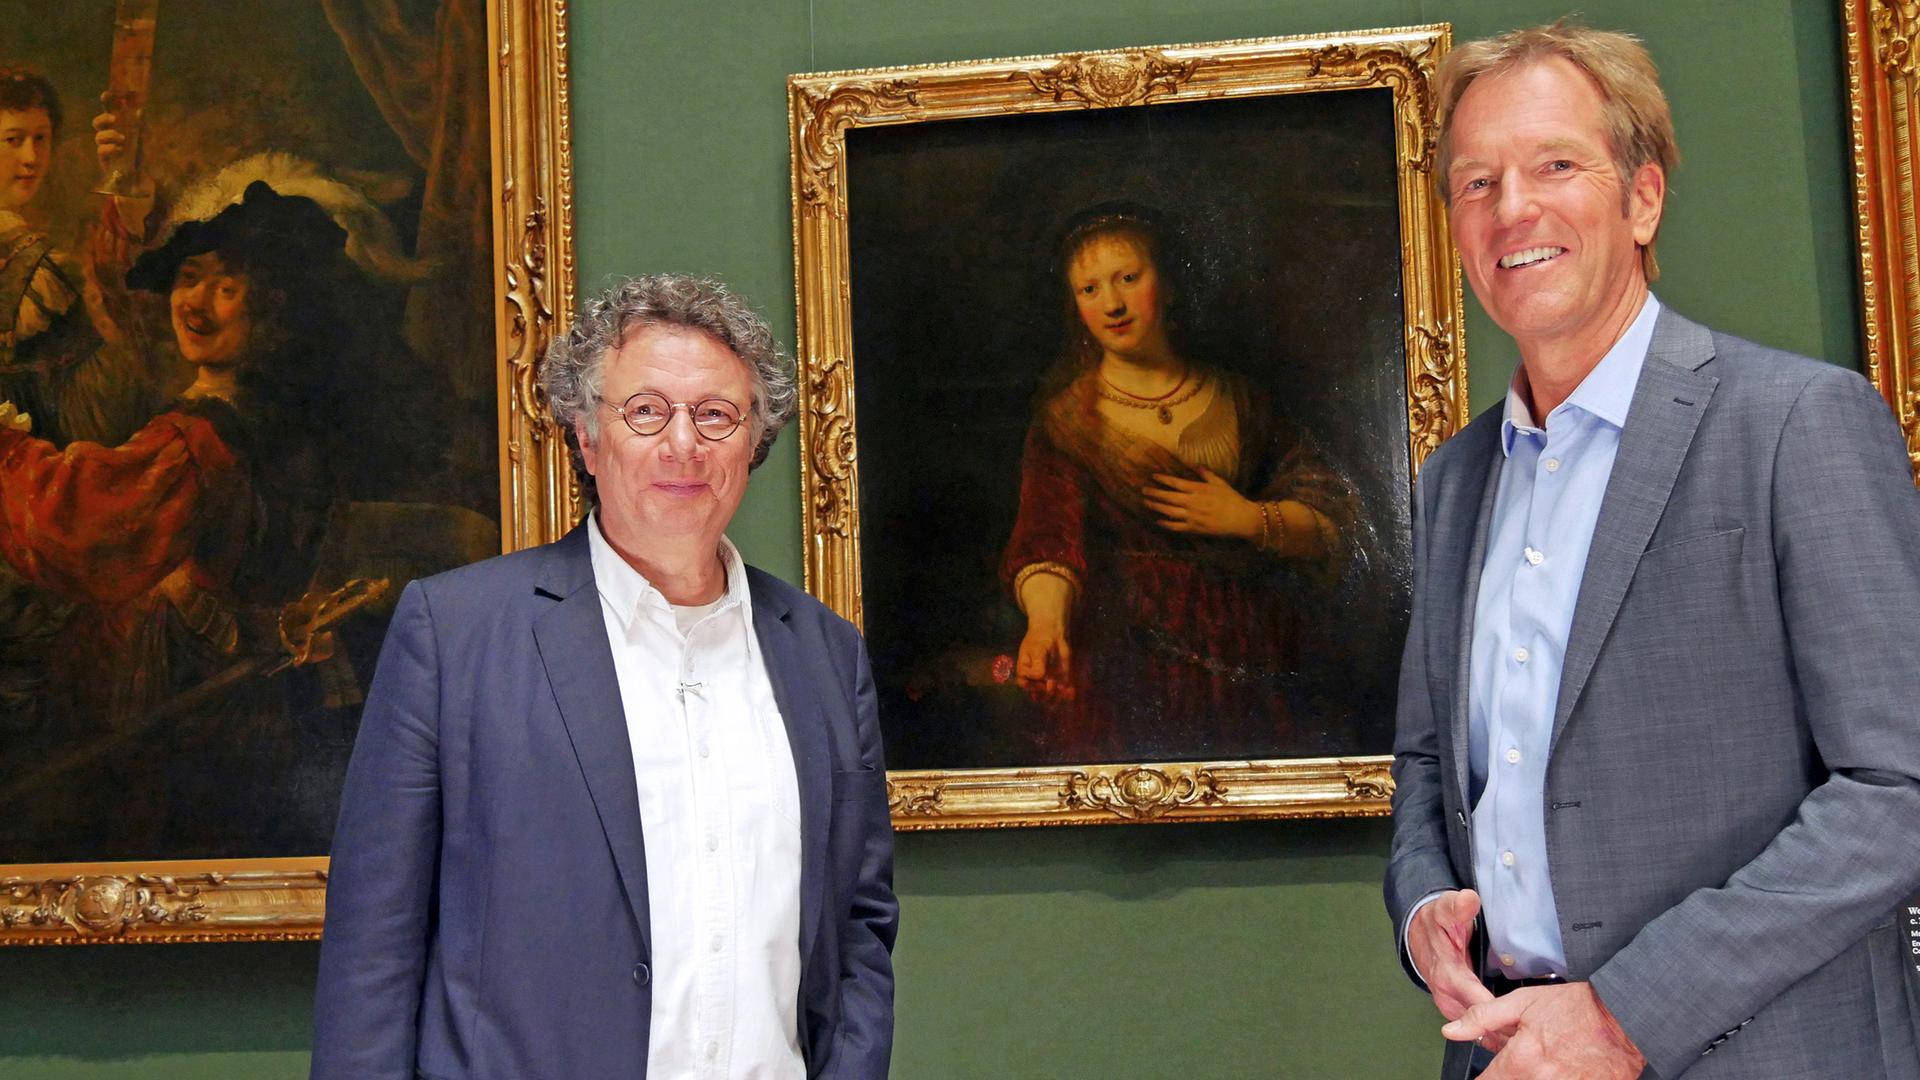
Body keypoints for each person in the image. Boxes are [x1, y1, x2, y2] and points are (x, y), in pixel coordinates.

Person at [1383, 21, 1920, 1080]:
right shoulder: (1455, 484)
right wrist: (1420, 909)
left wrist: (1624, 1012)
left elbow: (1897, 786)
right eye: (1475, 182)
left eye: (1555, 165)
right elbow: (1427, 767)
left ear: (1642, 197)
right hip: (1508, 1056)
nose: (1512, 209)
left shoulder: (1796, 424)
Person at [312, 275, 899, 1078]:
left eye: (716, 415)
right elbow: (372, 949)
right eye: (646, 411)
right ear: (588, 438)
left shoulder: (825, 653)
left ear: (753, 445)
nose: (683, 444)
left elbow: (860, 928)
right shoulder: (455, 635)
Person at [0, 179, 379, 856]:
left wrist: (6, 449)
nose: (195, 301)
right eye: (188, 277)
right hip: (264, 692)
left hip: (191, 690)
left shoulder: (196, 441)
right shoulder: (296, 429)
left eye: (225, 285)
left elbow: (82, 524)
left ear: (272, 308)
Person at [1002, 203, 1359, 761]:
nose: (1112, 304)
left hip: (1249, 653)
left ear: (1165, 283)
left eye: (1127, 278)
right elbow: (1049, 537)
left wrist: (1247, 518)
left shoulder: (1241, 400)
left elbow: (1335, 513)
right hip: (1128, 660)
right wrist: (1046, 624)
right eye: (1089, 289)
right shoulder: (1068, 422)